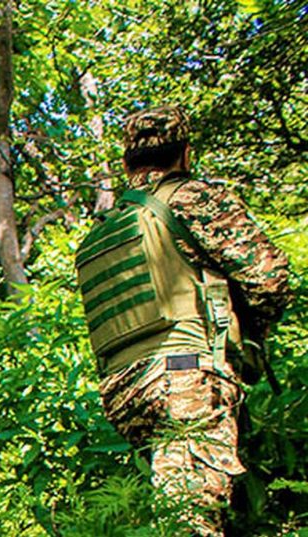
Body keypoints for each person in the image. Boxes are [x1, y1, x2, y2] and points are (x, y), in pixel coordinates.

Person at [75, 105, 292, 535]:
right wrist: (250, 334)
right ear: (186, 153)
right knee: (190, 522)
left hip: (125, 390)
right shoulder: (194, 199)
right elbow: (269, 280)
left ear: (127, 163)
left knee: (183, 508)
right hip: (185, 378)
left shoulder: (106, 228)